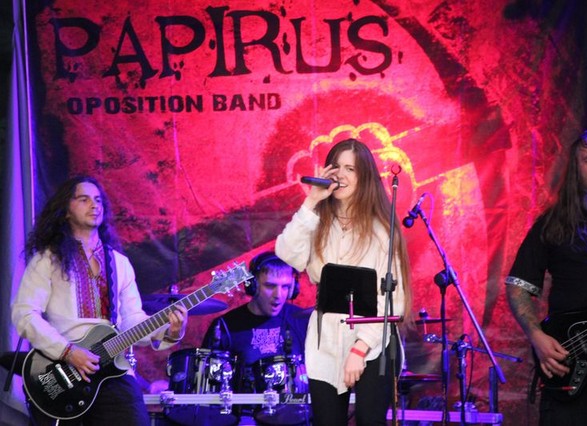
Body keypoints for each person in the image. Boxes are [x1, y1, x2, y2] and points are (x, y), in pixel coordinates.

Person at [11, 176, 188, 426]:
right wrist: (68, 352)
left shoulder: (119, 263)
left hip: (112, 370)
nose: (94, 205)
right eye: (84, 199)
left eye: (97, 200)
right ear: (66, 210)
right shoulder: (47, 259)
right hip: (61, 369)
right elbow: (24, 314)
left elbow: (132, 320)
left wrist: (168, 330)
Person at [506, 129, 587, 425]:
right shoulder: (552, 223)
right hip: (568, 354)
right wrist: (537, 337)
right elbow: (518, 286)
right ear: (576, 169)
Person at [275, 138, 413, 426]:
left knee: (369, 420)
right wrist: (311, 202)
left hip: (373, 340)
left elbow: (392, 301)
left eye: (350, 169)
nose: (340, 175)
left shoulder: (381, 230)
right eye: (336, 167)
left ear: (365, 177)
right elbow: (287, 253)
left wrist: (360, 349)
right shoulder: (317, 222)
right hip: (326, 340)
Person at [202, 251, 310, 423]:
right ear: (253, 285)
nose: (278, 295)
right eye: (270, 286)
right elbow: (208, 385)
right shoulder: (225, 326)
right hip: (245, 418)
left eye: (285, 287)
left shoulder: (302, 320)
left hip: (296, 416)